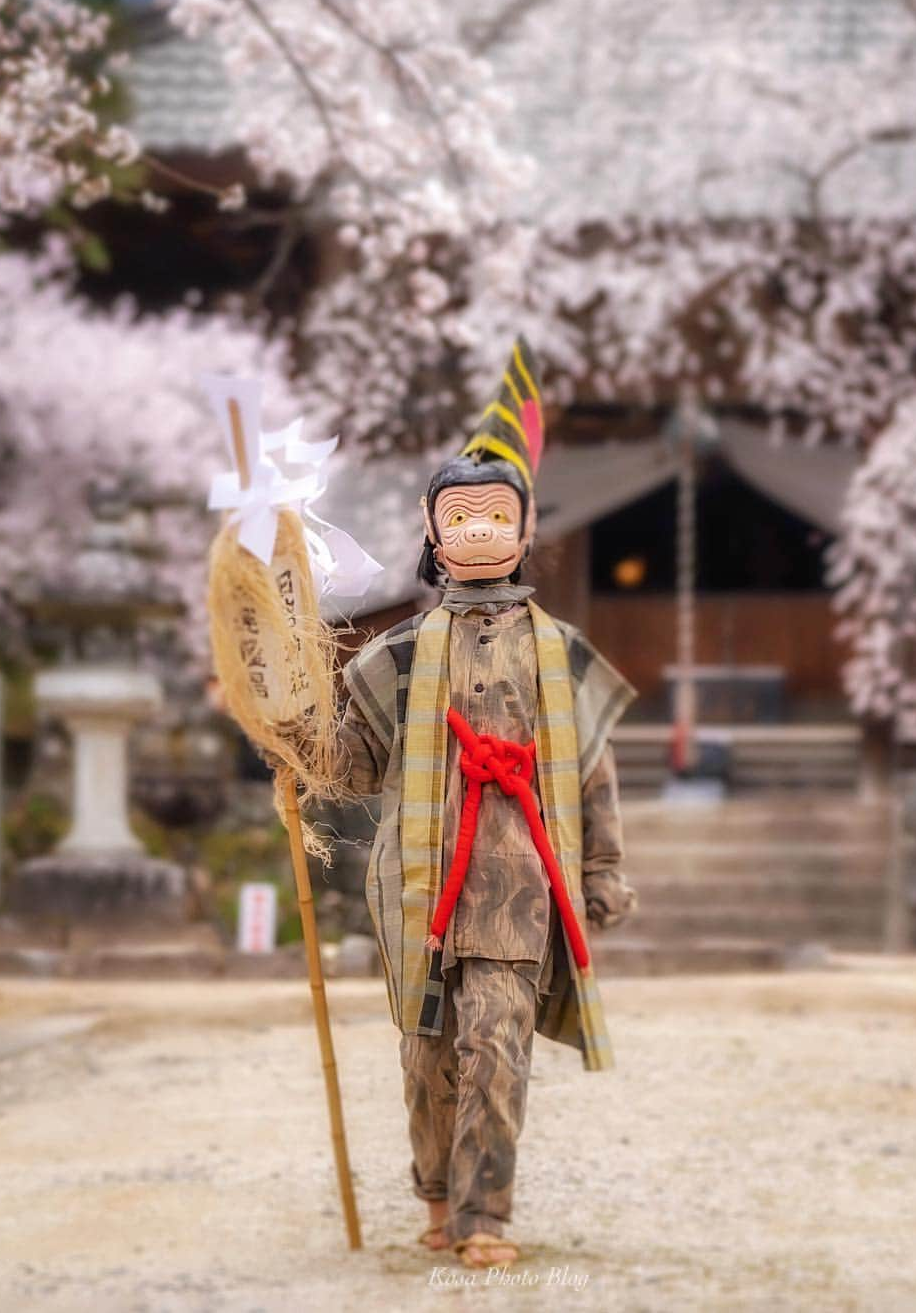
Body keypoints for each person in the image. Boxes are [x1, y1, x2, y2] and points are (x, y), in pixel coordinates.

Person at [335, 338, 637, 1269]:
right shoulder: (394, 656)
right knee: (428, 1060)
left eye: (491, 513)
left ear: (525, 524)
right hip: (421, 885)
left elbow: (592, 770)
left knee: (498, 1046)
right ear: (431, 532)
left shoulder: (561, 652)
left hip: (516, 881)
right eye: (455, 515)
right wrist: (294, 720)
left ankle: (483, 1217)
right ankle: (435, 1190)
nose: (473, 531)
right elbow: (350, 767)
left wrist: (601, 870)